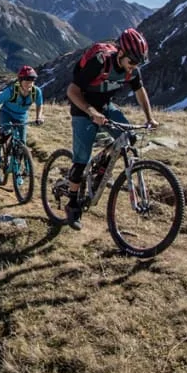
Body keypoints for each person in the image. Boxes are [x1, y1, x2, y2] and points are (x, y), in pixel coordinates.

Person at [63, 28, 158, 230]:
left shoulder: (132, 69)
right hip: (83, 107)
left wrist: (150, 118)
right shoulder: (100, 61)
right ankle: (72, 204)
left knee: (129, 138)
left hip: (105, 106)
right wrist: (91, 112)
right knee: (81, 160)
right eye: (132, 61)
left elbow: (140, 91)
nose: (134, 66)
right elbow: (72, 91)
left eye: (138, 63)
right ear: (121, 52)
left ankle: (101, 166)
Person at [0, 65, 44, 174]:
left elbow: (39, 105)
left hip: (21, 116)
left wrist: (38, 117)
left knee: (22, 143)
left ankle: (21, 170)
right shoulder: (10, 91)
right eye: (26, 81)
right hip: (6, 114)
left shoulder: (36, 92)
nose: (29, 83)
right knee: (5, 133)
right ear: (20, 81)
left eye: (32, 81)